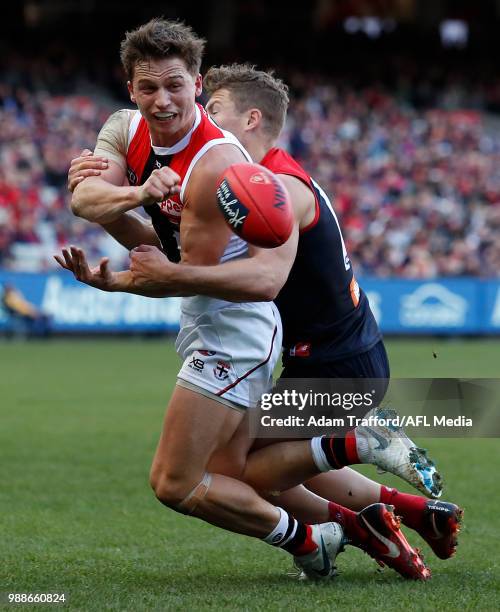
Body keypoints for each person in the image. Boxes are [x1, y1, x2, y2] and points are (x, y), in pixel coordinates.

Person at [60, 58, 458, 578]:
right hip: (330, 355)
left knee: (233, 468)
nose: (201, 116)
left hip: (336, 366)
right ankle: (407, 515)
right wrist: (114, 210)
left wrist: (159, 273)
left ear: (250, 120)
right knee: (261, 465)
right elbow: (180, 256)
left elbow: (258, 281)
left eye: (214, 108)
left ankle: (360, 452)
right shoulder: (244, 181)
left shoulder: (274, 190)